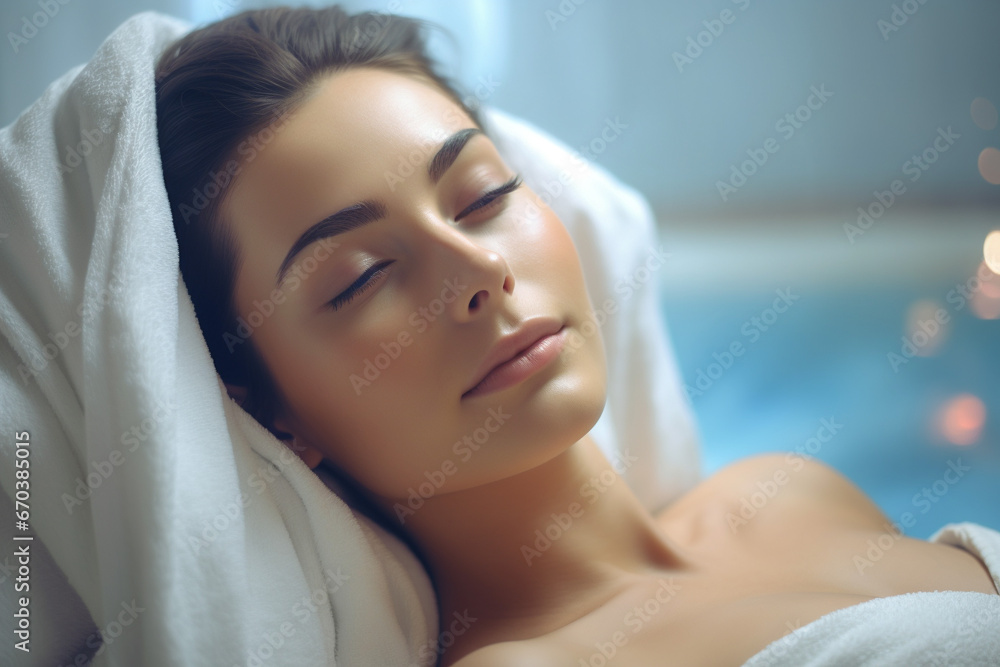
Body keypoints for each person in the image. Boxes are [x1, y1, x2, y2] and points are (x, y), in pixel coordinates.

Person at [154, 7, 999, 665]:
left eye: (484, 196)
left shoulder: (790, 489)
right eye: (365, 274)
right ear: (269, 411)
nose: (478, 271)